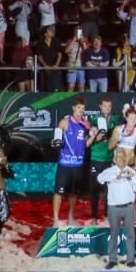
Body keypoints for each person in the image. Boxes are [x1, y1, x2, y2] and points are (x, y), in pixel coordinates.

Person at [52, 97, 95, 226]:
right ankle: (55, 220)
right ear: (73, 108)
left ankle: (70, 217)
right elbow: (56, 140)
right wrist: (54, 142)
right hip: (65, 164)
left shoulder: (86, 124)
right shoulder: (64, 122)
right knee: (59, 192)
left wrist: (93, 136)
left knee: (74, 193)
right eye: (78, 107)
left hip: (78, 165)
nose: (81, 110)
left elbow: (85, 145)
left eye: (83, 108)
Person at [98, 148, 136, 269]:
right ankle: (112, 259)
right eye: (119, 157)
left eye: (123, 157)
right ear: (114, 159)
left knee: (130, 234)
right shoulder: (109, 171)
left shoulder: (131, 171)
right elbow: (99, 179)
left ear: (126, 158)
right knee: (113, 234)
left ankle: (130, 259)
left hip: (128, 207)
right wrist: (116, 176)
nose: (121, 159)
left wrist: (131, 177)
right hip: (114, 208)